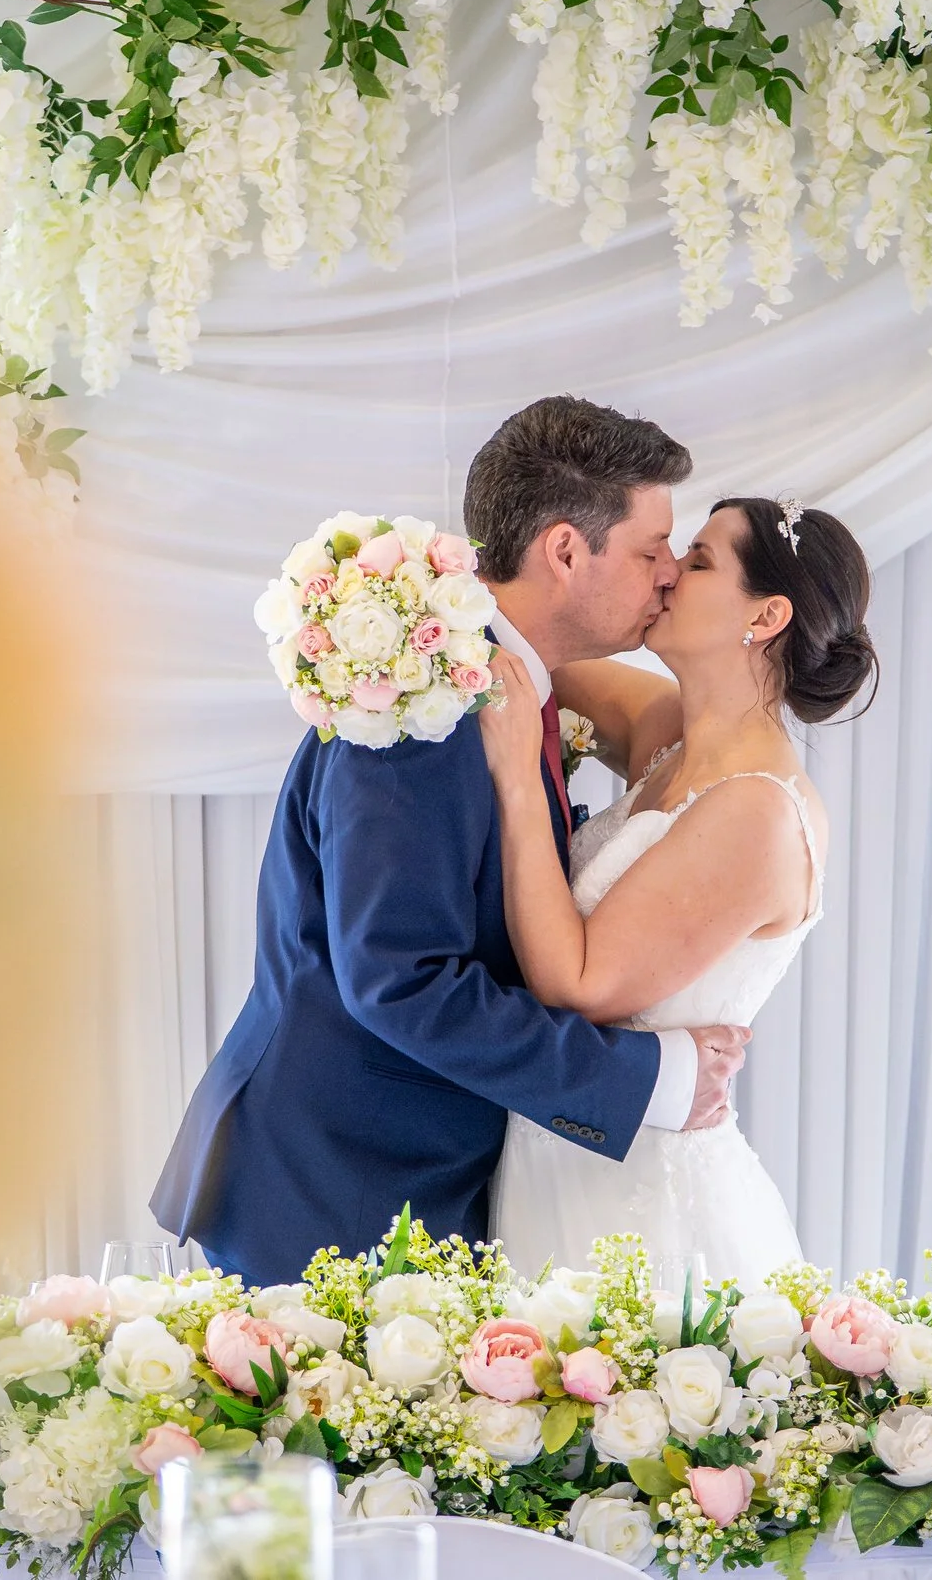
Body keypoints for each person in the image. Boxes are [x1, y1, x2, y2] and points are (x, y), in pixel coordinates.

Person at [149, 397, 731, 1284]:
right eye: (652, 549)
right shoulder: (422, 709)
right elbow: (400, 979)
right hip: (335, 1189)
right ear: (567, 550)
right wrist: (647, 1078)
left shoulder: (503, 683)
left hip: (397, 1176)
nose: (666, 575)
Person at [482, 496, 876, 1283]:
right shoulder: (670, 734)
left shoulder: (759, 812)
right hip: (555, 1154)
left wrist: (519, 780)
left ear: (764, 616)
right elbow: (532, 635)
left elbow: (579, 982)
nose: (666, 574)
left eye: (696, 561)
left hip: (640, 1199)